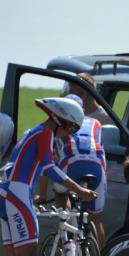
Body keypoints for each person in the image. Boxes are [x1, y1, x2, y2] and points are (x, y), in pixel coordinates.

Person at [0, 98, 97, 256]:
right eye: (70, 127)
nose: (69, 134)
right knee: (26, 255)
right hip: (17, 193)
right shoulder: (45, 132)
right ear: (59, 120)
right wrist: (79, 189)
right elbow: (48, 167)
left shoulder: (33, 131)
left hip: (8, 191)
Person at [37, 94, 108, 248]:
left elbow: (46, 163)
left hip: (70, 166)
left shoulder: (60, 123)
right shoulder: (96, 123)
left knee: (61, 194)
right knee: (96, 220)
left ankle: (67, 235)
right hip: (97, 169)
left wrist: (42, 194)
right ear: (82, 110)